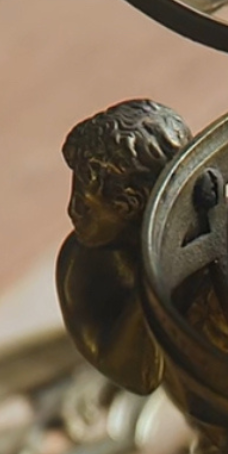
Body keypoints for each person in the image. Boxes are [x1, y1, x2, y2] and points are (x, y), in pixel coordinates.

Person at [57, 98, 192, 399]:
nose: (72, 211)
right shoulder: (85, 263)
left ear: (129, 205)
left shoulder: (213, 220)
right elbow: (136, 374)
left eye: (85, 204)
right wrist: (162, 270)